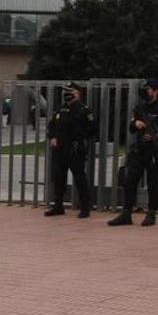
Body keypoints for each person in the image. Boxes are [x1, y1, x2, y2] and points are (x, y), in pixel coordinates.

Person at [109, 78, 158, 227]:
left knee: (153, 183)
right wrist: (136, 123)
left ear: (156, 91)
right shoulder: (140, 108)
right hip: (140, 149)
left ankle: (151, 213)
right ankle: (126, 213)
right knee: (129, 180)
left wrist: (157, 136)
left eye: (149, 89)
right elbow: (131, 127)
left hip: (155, 151)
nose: (146, 91)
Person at [44, 82, 96, 218]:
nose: (66, 94)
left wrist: (79, 139)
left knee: (79, 178)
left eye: (69, 91)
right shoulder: (61, 108)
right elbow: (51, 125)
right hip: (59, 148)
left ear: (77, 93)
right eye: (65, 91)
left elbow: (92, 129)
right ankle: (58, 205)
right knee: (58, 177)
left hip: (74, 149)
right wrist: (53, 137)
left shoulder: (84, 110)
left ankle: (85, 206)